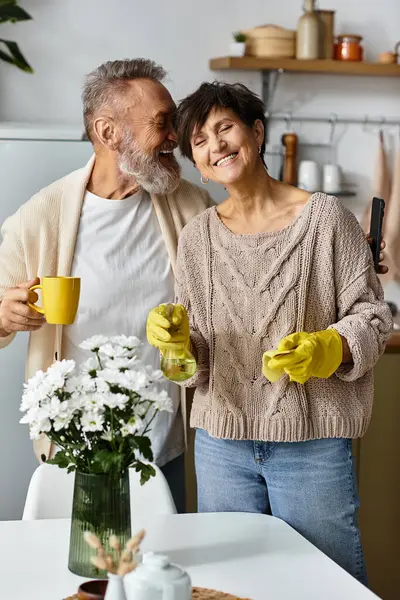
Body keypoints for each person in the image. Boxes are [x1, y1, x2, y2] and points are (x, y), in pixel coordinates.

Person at [146, 81, 393, 582]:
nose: (215, 145)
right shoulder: (197, 238)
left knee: (326, 582)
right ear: (196, 163)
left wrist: (332, 347)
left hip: (311, 443)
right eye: (199, 141)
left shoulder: (325, 220)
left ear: (256, 133)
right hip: (221, 444)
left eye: (225, 128)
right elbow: (192, 363)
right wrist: (175, 348)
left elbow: (373, 316)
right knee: (232, 585)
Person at [0, 58, 214, 513]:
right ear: (108, 132)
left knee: (157, 580)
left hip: (165, 448)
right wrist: (3, 316)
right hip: (75, 451)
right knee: (78, 580)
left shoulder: (192, 207)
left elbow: (246, 271)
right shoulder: (39, 218)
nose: (175, 136)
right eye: (162, 123)